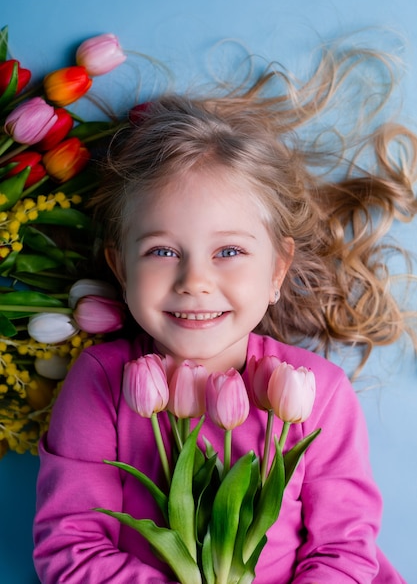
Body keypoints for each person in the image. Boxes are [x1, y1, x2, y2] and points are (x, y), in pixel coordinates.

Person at [33, 40, 417, 583]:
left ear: (278, 269)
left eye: (229, 252)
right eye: (163, 252)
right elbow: (70, 548)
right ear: (121, 269)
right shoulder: (99, 384)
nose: (195, 282)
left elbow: (344, 550)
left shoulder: (319, 394)